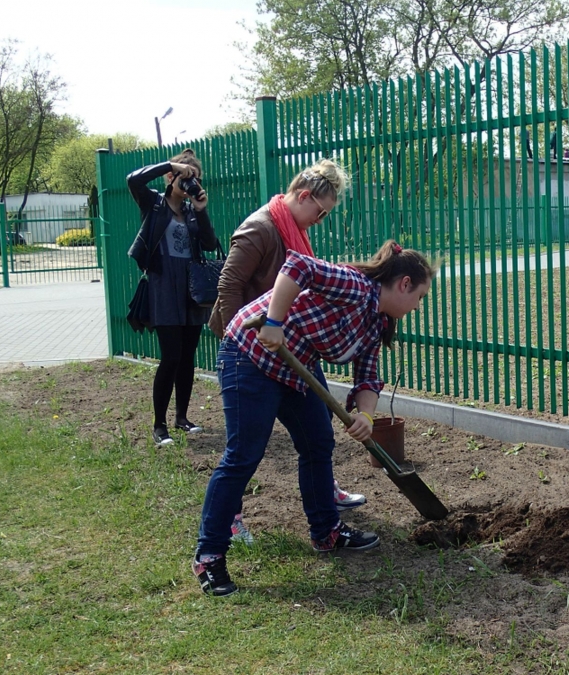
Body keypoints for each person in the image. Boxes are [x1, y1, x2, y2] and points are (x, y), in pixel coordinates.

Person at [193, 241, 436, 596]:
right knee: (244, 453)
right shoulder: (353, 286)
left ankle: (326, 532)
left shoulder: (374, 323)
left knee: (318, 442)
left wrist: (366, 416)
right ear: (403, 284)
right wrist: (274, 321)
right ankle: (209, 554)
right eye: (419, 297)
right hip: (250, 354)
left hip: (295, 367)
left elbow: (367, 377)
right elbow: (297, 267)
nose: (417, 306)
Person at [207, 159, 362, 545]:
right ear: (304, 196)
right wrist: (239, 342)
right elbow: (229, 285)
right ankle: (229, 519)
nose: (320, 221)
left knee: (317, 432)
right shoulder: (259, 229)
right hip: (251, 347)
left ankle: (324, 501)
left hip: (289, 346)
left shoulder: (292, 228)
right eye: (320, 212)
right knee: (244, 449)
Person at [128, 148, 219, 447]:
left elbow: (208, 243)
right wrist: (170, 163)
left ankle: (182, 417)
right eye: (185, 177)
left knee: (188, 357)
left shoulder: (193, 212)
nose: (191, 184)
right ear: (172, 176)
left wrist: (202, 209)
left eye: (195, 179)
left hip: (191, 289)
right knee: (170, 357)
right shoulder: (153, 203)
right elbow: (134, 180)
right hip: (163, 286)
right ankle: (159, 425)